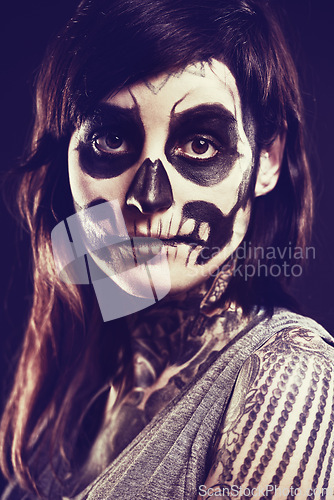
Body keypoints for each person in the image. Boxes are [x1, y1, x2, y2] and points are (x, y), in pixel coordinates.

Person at [1, 0, 333, 498]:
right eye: (111, 138)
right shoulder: (83, 376)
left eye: (200, 145)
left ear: (267, 159)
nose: (147, 197)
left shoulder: (288, 376)